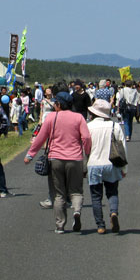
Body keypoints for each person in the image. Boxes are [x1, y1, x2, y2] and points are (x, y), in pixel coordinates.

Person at [25, 90, 92, 234]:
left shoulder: (51, 118)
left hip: (55, 158)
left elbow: (41, 138)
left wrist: (30, 155)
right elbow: (86, 137)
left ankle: (60, 225)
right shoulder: (79, 117)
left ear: (58, 104)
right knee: (76, 190)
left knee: (58, 193)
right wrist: (87, 152)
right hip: (75, 158)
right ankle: (77, 212)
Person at [86, 99, 127, 233]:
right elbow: (122, 147)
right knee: (112, 191)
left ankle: (100, 225)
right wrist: (124, 168)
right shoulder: (115, 126)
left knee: (96, 196)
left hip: (94, 163)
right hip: (112, 163)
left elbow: (85, 148)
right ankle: (113, 212)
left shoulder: (89, 126)